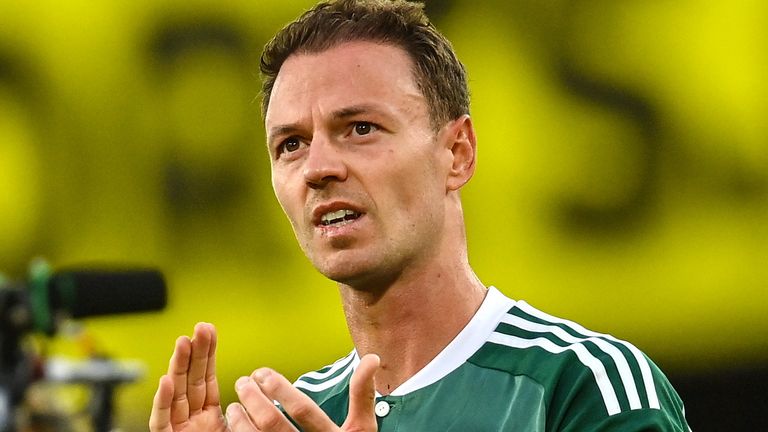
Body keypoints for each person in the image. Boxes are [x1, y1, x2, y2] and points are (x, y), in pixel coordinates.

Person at [149, 0, 691, 430]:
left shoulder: (585, 386)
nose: (318, 168)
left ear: (457, 153)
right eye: (290, 144)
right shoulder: (288, 417)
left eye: (360, 128)